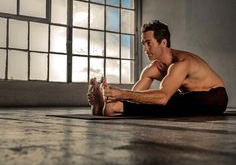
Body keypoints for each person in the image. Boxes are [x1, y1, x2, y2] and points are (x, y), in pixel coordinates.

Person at [87, 20, 228, 117]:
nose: (145, 49)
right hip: (187, 98)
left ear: (164, 42)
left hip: (214, 97)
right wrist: (112, 95)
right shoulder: (152, 69)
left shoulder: (182, 62)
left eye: (149, 43)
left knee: (170, 100)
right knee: (168, 99)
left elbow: (162, 98)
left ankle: (116, 108)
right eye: (143, 44)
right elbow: (135, 95)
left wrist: (122, 94)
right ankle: (108, 107)